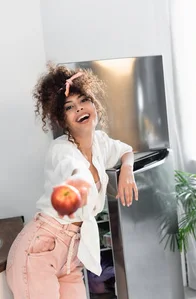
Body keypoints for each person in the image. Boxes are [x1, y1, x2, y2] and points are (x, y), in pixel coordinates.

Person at [5, 64, 139, 299]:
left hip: (71, 255)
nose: (80, 109)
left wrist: (127, 170)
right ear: (62, 119)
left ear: (93, 105)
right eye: (70, 107)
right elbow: (76, 172)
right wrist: (78, 187)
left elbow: (126, 150)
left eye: (84, 100)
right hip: (39, 251)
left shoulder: (100, 142)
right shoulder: (61, 150)